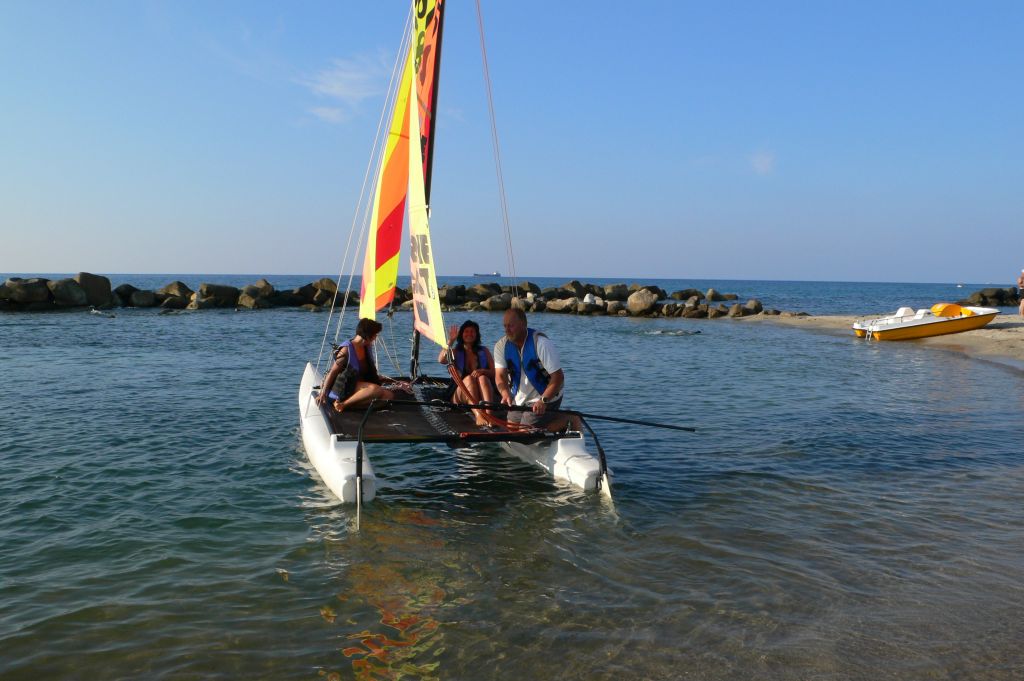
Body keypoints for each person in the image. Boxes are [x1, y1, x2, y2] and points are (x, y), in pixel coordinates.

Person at [493, 307, 574, 432]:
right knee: (511, 429)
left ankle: (569, 418)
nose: (507, 330)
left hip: (547, 396)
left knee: (524, 432)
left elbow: (558, 377)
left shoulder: (541, 343)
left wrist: (543, 401)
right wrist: (505, 393)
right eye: (505, 326)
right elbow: (500, 376)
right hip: (519, 399)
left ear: (523, 324)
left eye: (511, 326)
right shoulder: (501, 346)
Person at [317, 318, 394, 413]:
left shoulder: (366, 347)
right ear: (368, 335)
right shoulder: (346, 349)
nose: (375, 338)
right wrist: (323, 393)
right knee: (376, 390)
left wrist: (391, 380)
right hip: (343, 388)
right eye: (375, 335)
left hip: (357, 386)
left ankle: (348, 406)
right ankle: (342, 404)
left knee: (388, 396)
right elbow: (333, 372)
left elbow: (365, 371)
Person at [438, 320, 496, 426]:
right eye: (466, 331)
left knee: (483, 378)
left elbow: (494, 373)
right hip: (459, 393)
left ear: (477, 335)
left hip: (480, 391)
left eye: (472, 331)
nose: (469, 334)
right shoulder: (455, 352)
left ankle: (489, 415)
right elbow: (441, 360)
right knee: (469, 378)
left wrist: (483, 371)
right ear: (461, 335)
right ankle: (478, 415)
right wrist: (450, 341)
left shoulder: (484, 351)